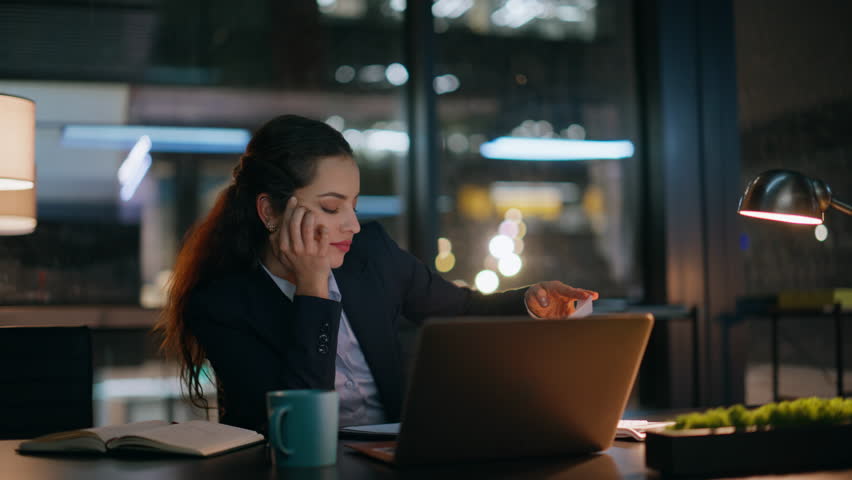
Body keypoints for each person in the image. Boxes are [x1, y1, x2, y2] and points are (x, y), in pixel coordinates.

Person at [155, 114, 599, 433]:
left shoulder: (372, 254)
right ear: (270, 211)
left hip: (396, 460)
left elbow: (460, 307)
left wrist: (532, 300)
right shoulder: (222, 305)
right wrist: (313, 290)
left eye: (354, 204)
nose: (351, 224)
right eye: (331, 207)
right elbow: (293, 431)